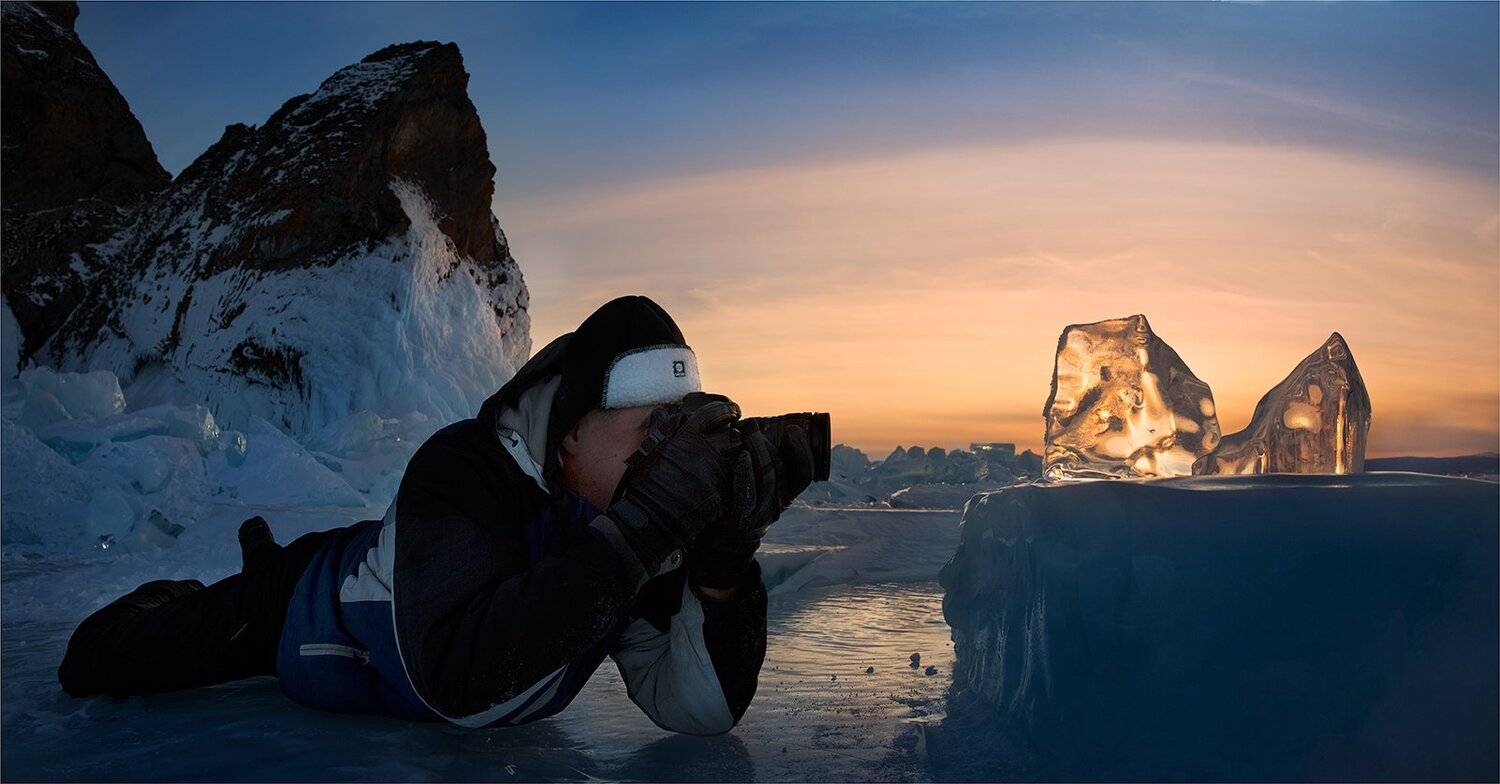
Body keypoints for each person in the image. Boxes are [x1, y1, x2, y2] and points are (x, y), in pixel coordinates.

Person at [57, 296, 817, 734]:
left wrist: (722, 563)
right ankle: (186, 588)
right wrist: (646, 527)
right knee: (103, 660)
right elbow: (453, 675)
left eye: (679, 436)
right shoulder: (464, 470)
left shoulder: (626, 536)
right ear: (571, 431)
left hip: (385, 614)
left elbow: (697, 709)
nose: (666, 461)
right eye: (648, 431)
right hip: (300, 602)